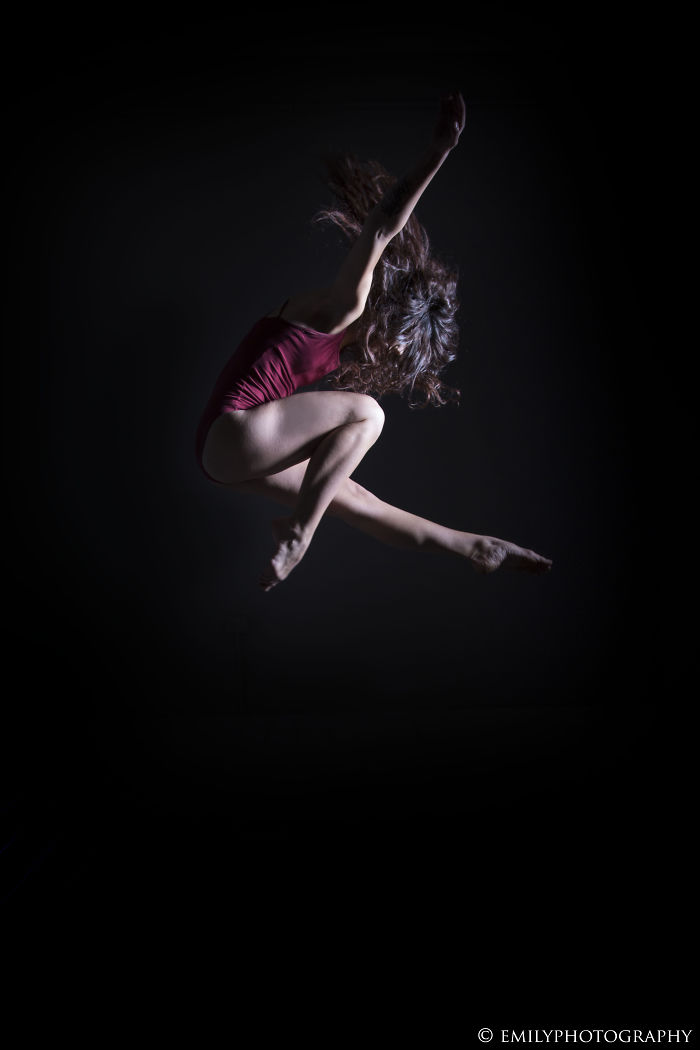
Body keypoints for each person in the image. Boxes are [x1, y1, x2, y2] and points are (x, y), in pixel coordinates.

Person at [195, 92, 552, 591]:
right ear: (391, 316)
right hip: (233, 432)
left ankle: (474, 546)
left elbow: (365, 508)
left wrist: (475, 543)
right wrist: (437, 154)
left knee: (356, 498)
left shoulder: (341, 342)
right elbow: (383, 227)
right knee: (369, 413)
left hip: (226, 456)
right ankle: (299, 536)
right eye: (396, 346)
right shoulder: (344, 309)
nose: (388, 357)